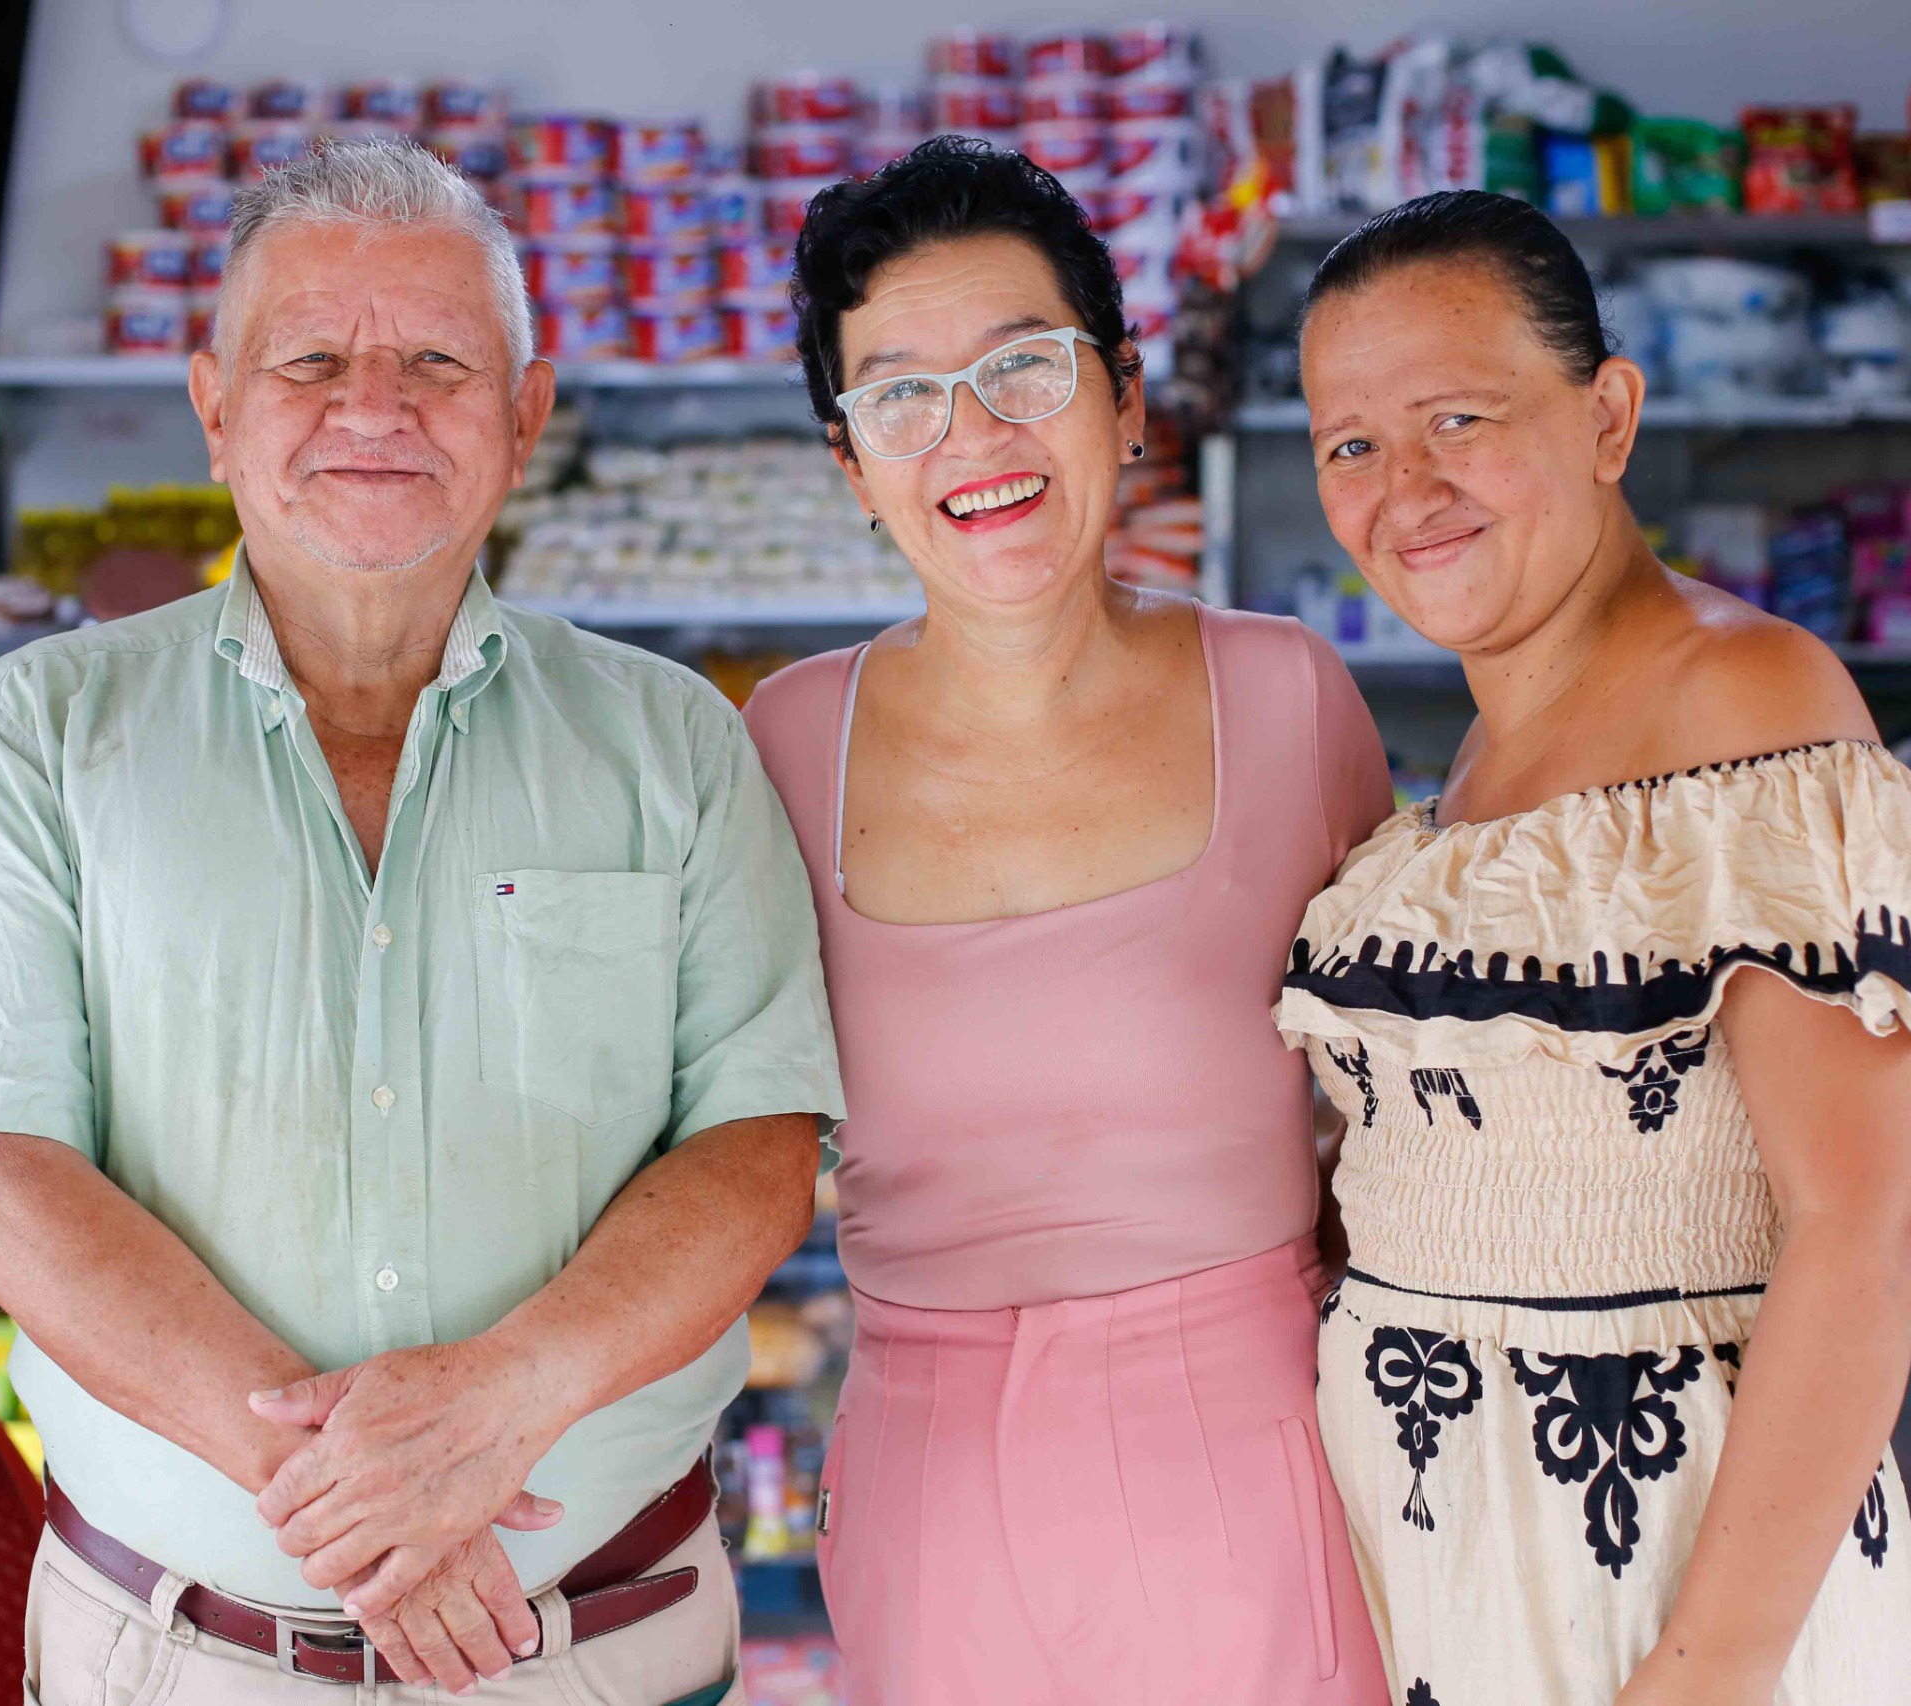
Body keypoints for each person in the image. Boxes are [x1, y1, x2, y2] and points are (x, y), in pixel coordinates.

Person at [0, 137, 844, 1705]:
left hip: (602, 1654)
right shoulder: (36, 733)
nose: (372, 407)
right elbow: (0, 1175)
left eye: (438, 361)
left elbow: (757, 1153)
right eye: (309, 360)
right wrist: (371, 1504)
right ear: (215, 406)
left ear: (525, 412)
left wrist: (500, 1404)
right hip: (179, 1662)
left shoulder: (677, 744)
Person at [1277, 189, 1911, 1706]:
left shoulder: (1746, 703)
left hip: (1666, 1600)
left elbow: (1869, 1220)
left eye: (1458, 418)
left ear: (1608, 416)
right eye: (1349, 445)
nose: (1404, 488)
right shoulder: (1480, 772)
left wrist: (1707, 1675)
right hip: (1451, 1567)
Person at [742, 137, 1394, 1706]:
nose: (972, 434)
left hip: (1265, 1470)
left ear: (1124, 393)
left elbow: (1408, 1101)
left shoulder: (1285, 696)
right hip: (930, 1502)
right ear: (852, 465)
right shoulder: (782, 745)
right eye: (900, 396)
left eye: (1022, 366)